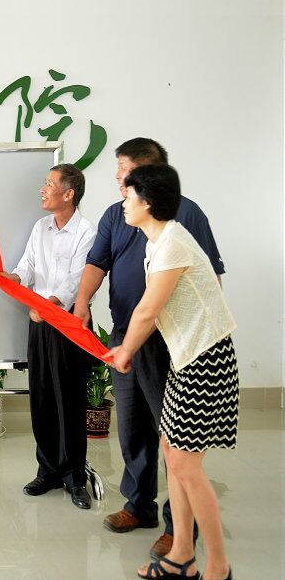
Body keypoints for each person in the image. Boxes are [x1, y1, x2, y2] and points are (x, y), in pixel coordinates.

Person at [73, 138, 225, 558]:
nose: (117, 180)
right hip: (127, 333)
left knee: (174, 439)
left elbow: (206, 279)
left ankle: (181, 529)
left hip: (168, 341)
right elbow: (97, 262)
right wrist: (83, 302)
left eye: (123, 171)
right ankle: (139, 505)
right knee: (133, 425)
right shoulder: (118, 213)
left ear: (146, 176)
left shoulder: (183, 218)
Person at [105, 164, 239, 580]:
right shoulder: (158, 242)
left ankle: (219, 573)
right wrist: (126, 348)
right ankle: (181, 555)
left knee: (184, 464)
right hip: (188, 359)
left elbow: (147, 311)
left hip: (206, 361)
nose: (123, 202)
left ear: (148, 201)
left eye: (129, 194)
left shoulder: (174, 243)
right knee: (172, 451)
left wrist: (125, 351)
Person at [0, 163, 97, 510]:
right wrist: (14, 278)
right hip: (39, 321)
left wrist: (50, 304)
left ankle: (75, 477)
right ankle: (48, 471)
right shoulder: (41, 227)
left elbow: (76, 281)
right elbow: (27, 266)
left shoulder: (86, 231)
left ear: (68, 194)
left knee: (68, 400)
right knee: (41, 397)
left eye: (49, 184)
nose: (42, 190)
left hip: (69, 323)